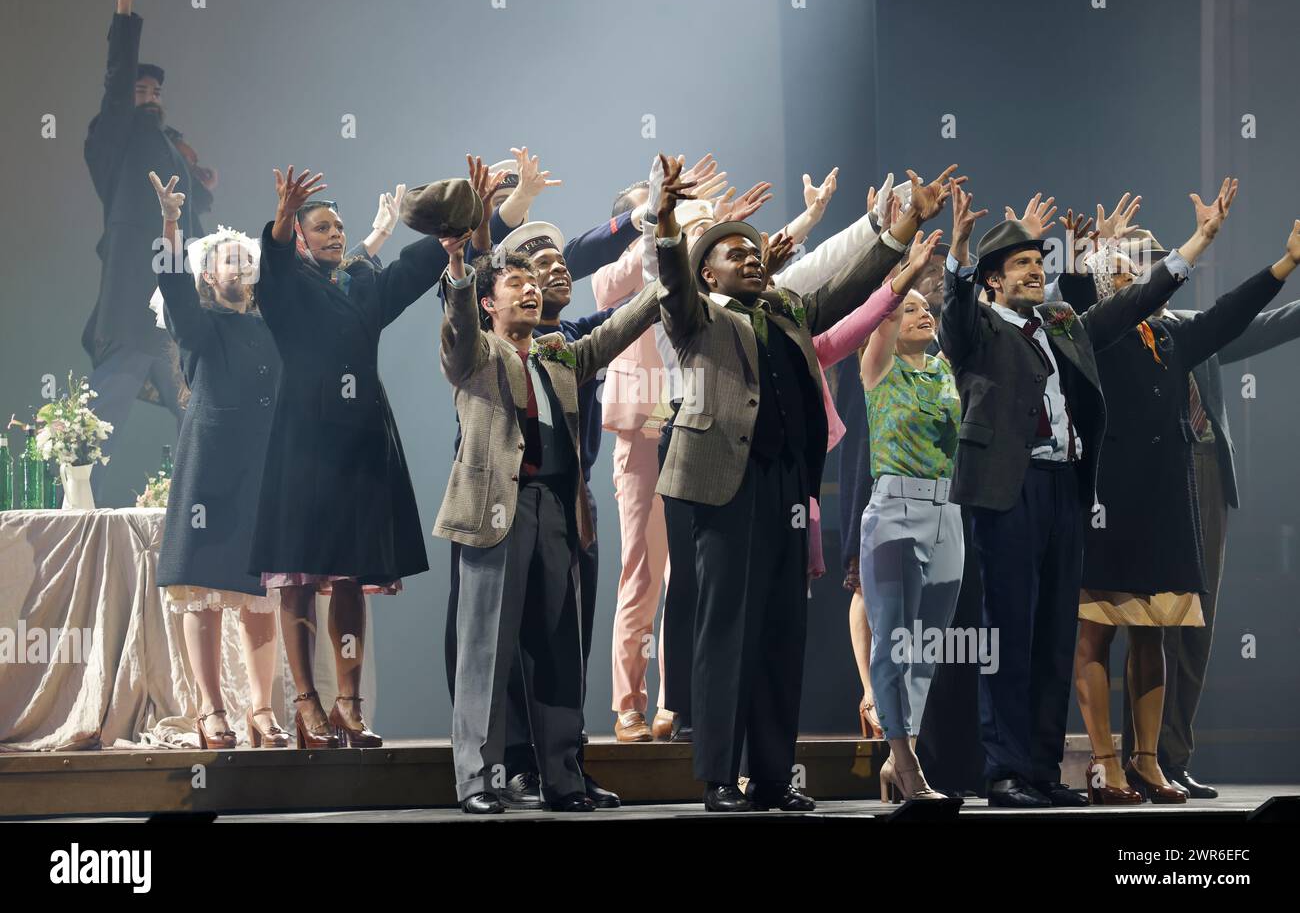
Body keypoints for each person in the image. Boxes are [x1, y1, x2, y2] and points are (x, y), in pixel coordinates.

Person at [656, 159, 953, 811]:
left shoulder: (786, 306)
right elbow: (672, 281)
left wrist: (902, 227)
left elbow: (849, 287)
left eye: (757, 252)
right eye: (737, 253)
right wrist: (664, 219)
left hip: (788, 486)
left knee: (781, 631)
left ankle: (769, 774)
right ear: (708, 271)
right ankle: (718, 777)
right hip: (726, 487)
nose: (754, 259)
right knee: (727, 630)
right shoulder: (697, 314)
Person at [939, 179, 1236, 808]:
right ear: (992, 279)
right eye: (1019, 264)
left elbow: (1132, 303)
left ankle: (1043, 768)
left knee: (1053, 633)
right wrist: (961, 251)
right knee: (1010, 632)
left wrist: (1198, 243)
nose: (1031, 272)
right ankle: (1004, 771)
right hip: (1009, 494)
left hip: (1064, 491)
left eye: (1037, 264)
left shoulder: (1059, 325)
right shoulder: (978, 328)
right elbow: (954, 309)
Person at [435, 152, 685, 813]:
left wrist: (665, 236)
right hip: (497, 510)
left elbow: (638, 312)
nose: (529, 290)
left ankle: (563, 776)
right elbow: (458, 325)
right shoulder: (478, 355)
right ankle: (481, 778)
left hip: (557, 510)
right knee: (487, 651)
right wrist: (464, 264)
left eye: (533, 286)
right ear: (491, 302)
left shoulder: (562, 353)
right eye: (514, 284)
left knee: (557, 649)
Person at [1057, 209, 1296, 804]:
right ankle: (1111, 764)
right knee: (1102, 629)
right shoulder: (1099, 325)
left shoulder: (1174, 333)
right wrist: (1088, 252)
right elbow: (1081, 297)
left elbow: (1242, 319)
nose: (1142, 271)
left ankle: (1158, 759)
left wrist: (1287, 264)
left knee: (1167, 628)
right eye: (1130, 264)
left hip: (1180, 489)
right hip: (1113, 497)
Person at [249, 166, 460, 749]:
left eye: (340, 227)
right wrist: (282, 218)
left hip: (362, 444)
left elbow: (415, 271)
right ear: (300, 238)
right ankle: (305, 703)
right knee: (297, 576)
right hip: (304, 447)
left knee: (348, 578)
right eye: (322, 227)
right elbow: (272, 268)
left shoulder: (362, 289)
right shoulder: (287, 287)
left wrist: (457, 231)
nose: (335, 234)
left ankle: (349, 703)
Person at [148, 172, 287, 749]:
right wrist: (172, 225)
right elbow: (174, 288)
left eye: (245, 260)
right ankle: (209, 708)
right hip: (209, 468)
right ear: (210, 274)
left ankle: (261, 709)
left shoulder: (275, 327)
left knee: (259, 594)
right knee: (202, 590)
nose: (239, 267)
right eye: (228, 261)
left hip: (263, 470)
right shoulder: (200, 328)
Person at [84, 0, 214, 501]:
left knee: (197, 415)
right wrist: (125, 4)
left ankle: (199, 507)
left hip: (179, 309)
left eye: (155, 92)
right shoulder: (117, 140)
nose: (149, 94)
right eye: (142, 91)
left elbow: (196, 224)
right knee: (99, 423)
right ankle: (70, 503)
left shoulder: (170, 149)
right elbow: (117, 80)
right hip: (132, 307)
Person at [856, 226, 961, 801]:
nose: (922, 314)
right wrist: (905, 265)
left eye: (928, 308)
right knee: (893, 642)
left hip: (948, 513)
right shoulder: (879, 368)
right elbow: (886, 308)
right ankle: (903, 761)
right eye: (909, 309)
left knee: (926, 650)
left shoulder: (946, 373)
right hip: (893, 509)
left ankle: (905, 757)